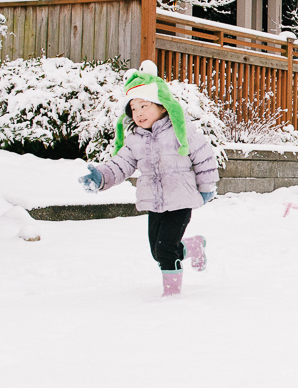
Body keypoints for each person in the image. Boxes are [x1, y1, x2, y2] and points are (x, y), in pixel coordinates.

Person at [78, 60, 220, 297]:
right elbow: (120, 164)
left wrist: (206, 187)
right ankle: (193, 246)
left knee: (165, 249)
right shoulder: (135, 139)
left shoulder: (180, 131)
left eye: (144, 106)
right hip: (154, 202)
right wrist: (101, 177)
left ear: (163, 106)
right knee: (157, 251)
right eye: (134, 109)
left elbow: (204, 157)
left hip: (181, 199)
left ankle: (171, 296)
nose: (139, 113)